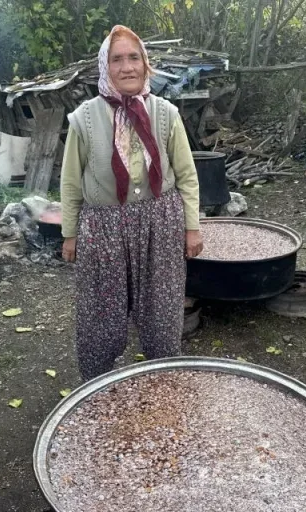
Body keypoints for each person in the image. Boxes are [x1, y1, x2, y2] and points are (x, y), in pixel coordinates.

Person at [60, 25, 203, 381]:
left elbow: (186, 175)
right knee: (101, 310)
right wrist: (69, 232)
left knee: (162, 308)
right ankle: (96, 384)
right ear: (105, 67)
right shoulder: (85, 118)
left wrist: (192, 226)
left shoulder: (166, 113)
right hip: (103, 225)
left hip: (161, 220)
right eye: (117, 59)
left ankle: (162, 377)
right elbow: (70, 180)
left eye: (134, 58)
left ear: (146, 64)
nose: (127, 67)